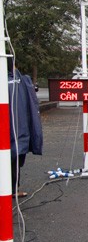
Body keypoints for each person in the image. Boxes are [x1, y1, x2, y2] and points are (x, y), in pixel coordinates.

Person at [8, 57, 43, 197]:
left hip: (11, 128)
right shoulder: (23, 81)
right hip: (19, 129)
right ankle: (12, 190)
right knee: (15, 159)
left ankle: (11, 190)